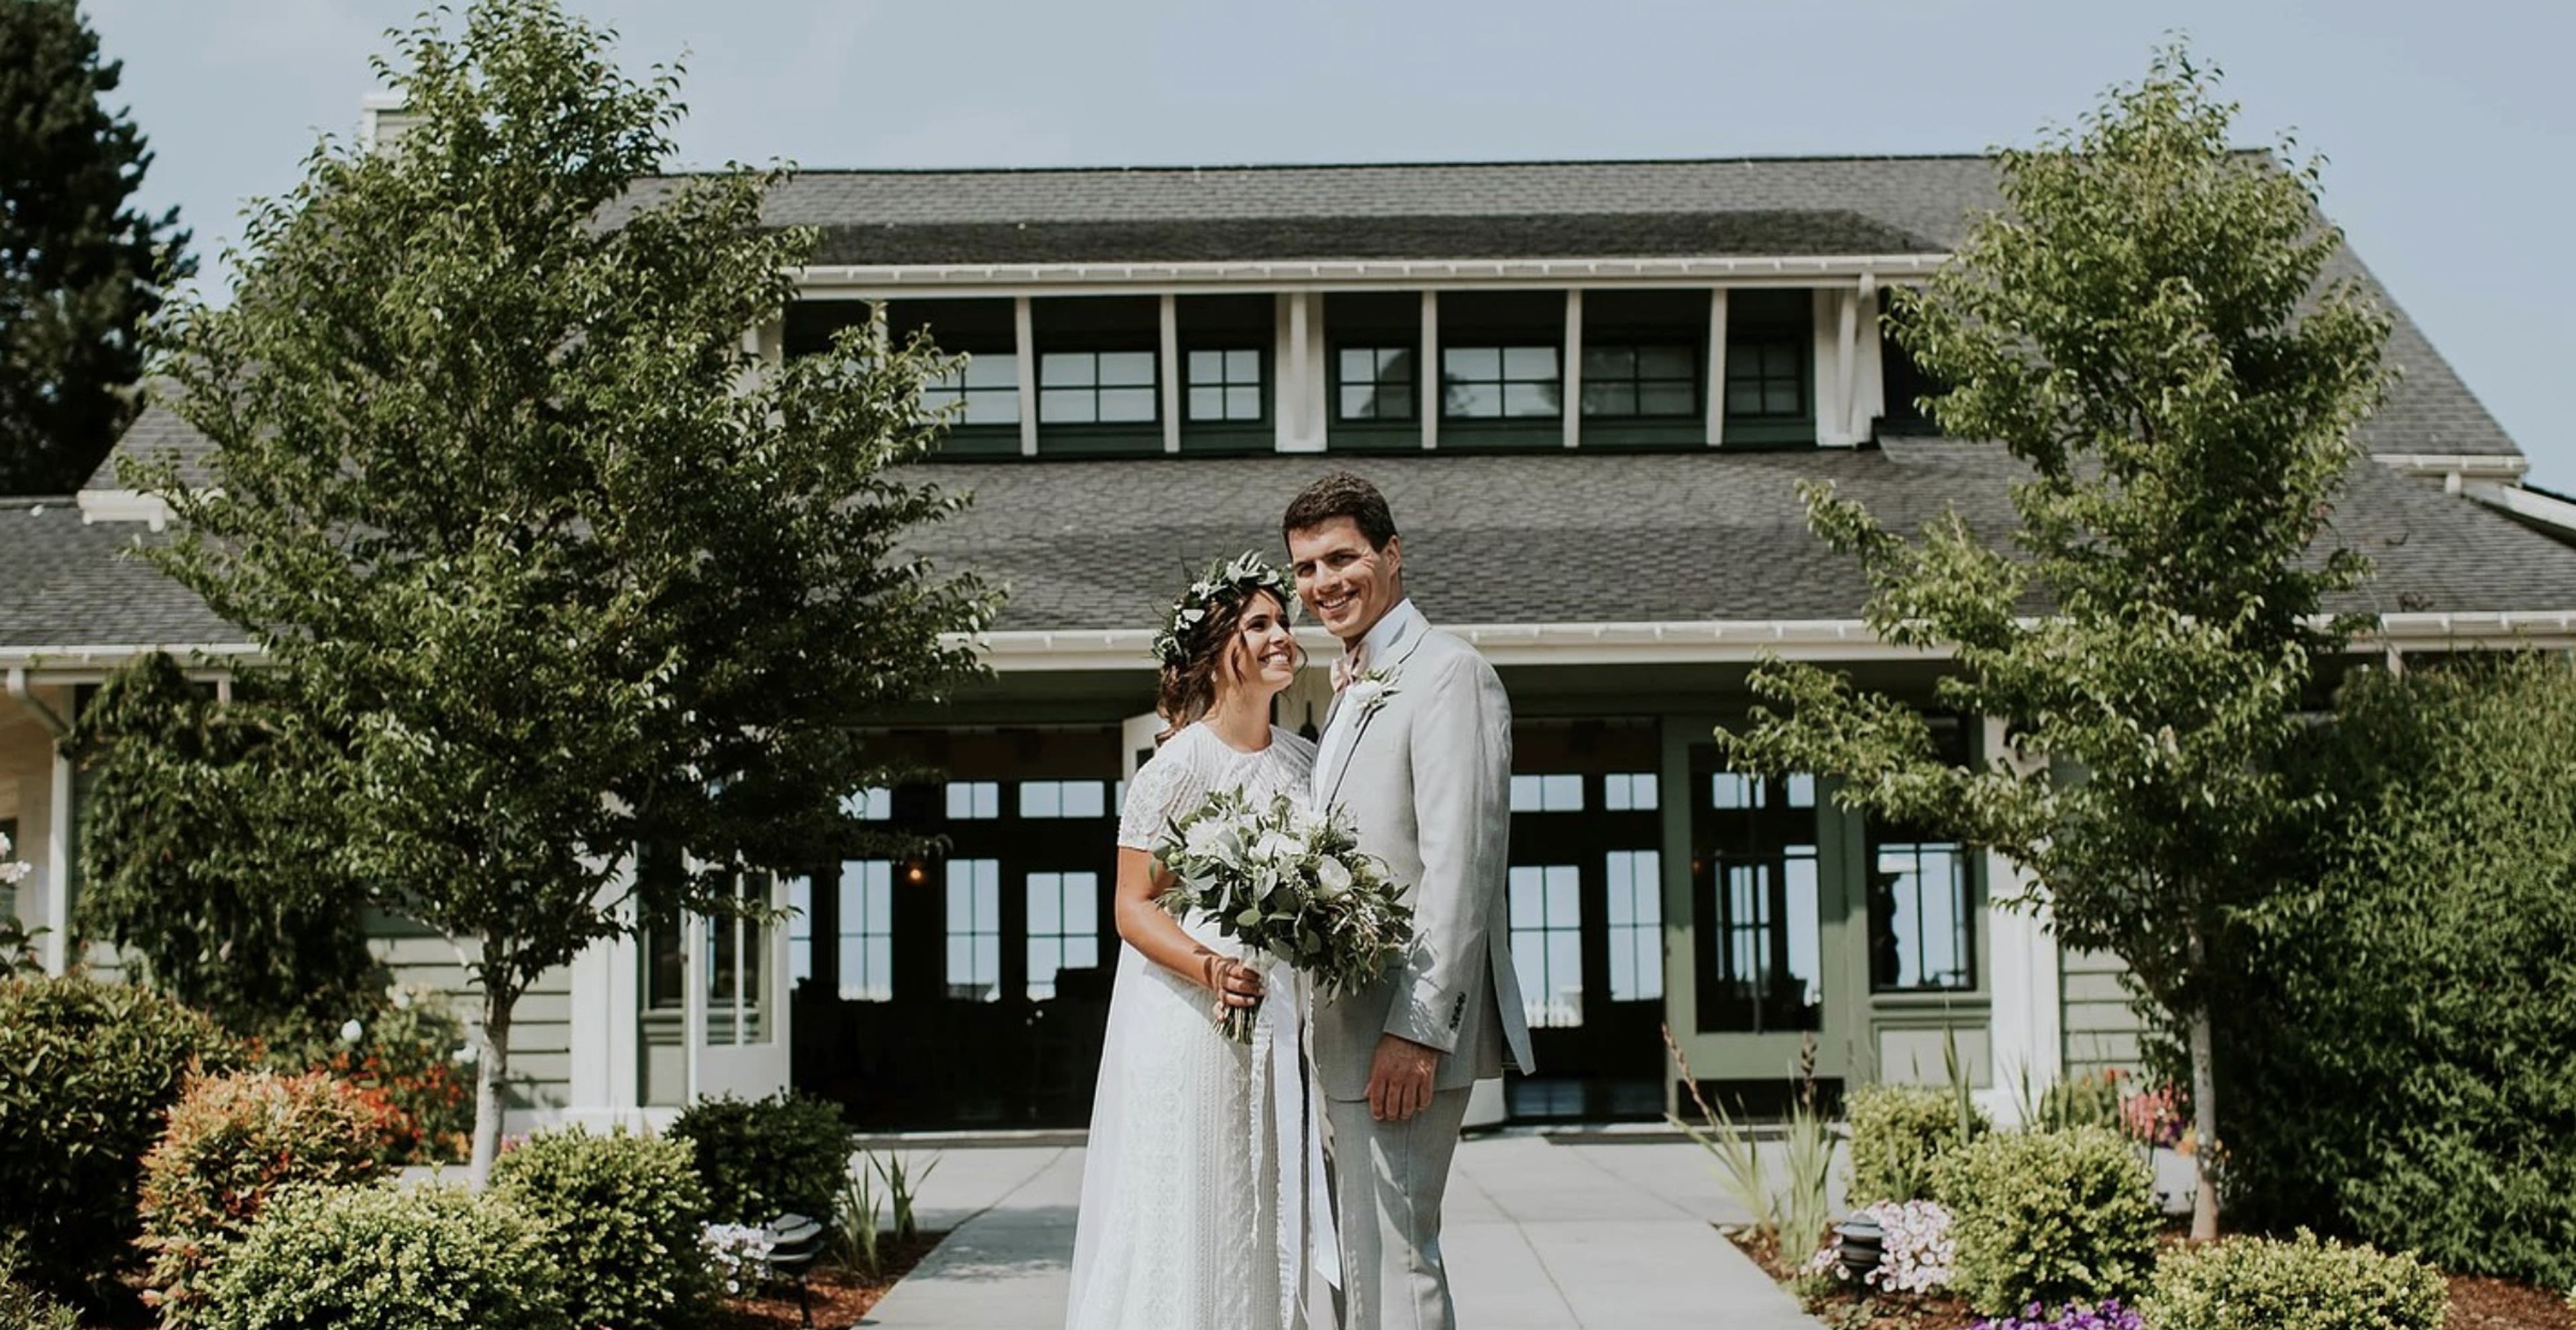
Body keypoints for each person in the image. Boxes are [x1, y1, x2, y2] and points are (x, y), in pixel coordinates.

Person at [1286, 471, 1533, 1330]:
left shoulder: (1448, 673)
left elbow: (1461, 867)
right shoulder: (1347, 684)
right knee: (1358, 1264)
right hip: (1342, 1033)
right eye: (1307, 568)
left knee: (1395, 1266)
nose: (1324, 583)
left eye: (1342, 557)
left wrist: (1417, 1029)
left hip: (1400, 1032)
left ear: (1392, 555)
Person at [1064, 554, 1327, 1330]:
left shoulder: (1305, 763)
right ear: (1219, 649)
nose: (1283, 635)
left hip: (1284, 1024)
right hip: (1196, 1022)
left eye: (1284, 621)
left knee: (1269, 1204)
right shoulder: (1175, 767)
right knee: (1199, 1203)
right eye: (1261, 624)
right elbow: (1131, 905)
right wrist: (1211, 965)